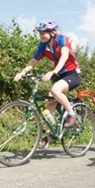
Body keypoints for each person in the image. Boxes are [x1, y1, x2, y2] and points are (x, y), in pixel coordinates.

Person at [14, 20, 81, 148]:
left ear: (52, 32)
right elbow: (34, 60)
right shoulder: (43, 45)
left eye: (44, 33)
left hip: (73, 74)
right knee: (48, 105)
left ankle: (72, 113)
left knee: (55, 90)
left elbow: (64, 56)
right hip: (59, 75)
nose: (41, 36)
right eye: (40, 33)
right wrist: (22, 72)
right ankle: (50, 134)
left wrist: (54, 71)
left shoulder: (61, 39)